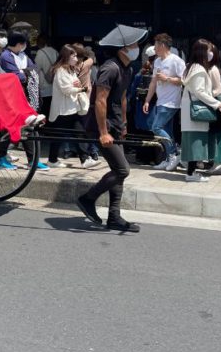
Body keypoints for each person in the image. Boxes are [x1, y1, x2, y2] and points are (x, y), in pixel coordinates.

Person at [75, 24, 147, 233]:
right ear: (123, 48)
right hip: (102, 125)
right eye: (133, 45)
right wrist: (103, 132)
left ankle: (114, 216)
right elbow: (100, 100)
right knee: (123, 169)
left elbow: (123, 97)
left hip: (116, 124)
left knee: (119, 171)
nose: (137, 48)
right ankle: (87, 199)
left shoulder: (128, 68)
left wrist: (124, 123)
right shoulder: (110, 68)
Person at [179, 39, 221, 182]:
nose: (210, 53)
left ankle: (191, 173)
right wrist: (217, 104)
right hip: (196, 110)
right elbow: (200, 92)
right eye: (208, 50)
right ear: (202, 51)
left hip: (190, 110)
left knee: (194, 142)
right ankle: (191, 174)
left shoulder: (192, 67)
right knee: (196, 142)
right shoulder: (200, 70)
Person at [0, 32, 47, 171]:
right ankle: (1, 158)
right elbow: (18, 76)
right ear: (19, 44)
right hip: (10, 96)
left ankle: (32, 160)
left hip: (24, 96)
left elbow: (34, 69)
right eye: (24, 43)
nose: (25, 46)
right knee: (9, 126)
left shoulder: (23, 56)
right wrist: (26, 72)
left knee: (29, 126)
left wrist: (25, 72)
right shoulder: (6, 56)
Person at [143, 33, 187, 172]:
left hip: (171, 101)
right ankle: (169, 158)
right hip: (161, 100)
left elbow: (183, 80)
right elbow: (154, 82)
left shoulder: (176, 60)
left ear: (162, 45)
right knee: (166, 130)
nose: (154, 48)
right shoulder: (157, 61)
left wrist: (167, 78)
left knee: (156, 127)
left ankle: (174, 153)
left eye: (155, 45)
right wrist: (147, 100)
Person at [47, 45, 95, 168]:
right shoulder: (61, 71)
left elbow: (73, 85)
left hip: (72, 108)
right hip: (63, 110)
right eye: (73, 55)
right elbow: (66, 89)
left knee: (78, 132)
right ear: (66, 57)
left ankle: (85, 159)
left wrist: (78, 85)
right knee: (58, 135)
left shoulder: (71, 70)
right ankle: (52, 160)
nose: (76, 58)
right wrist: (82, 88)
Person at [33, 34, 58, 118]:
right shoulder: (55, 51)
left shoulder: (40, 52)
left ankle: (44, 129)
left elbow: (35, 69)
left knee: (44, 112)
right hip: (54, 87)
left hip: (44, 88)